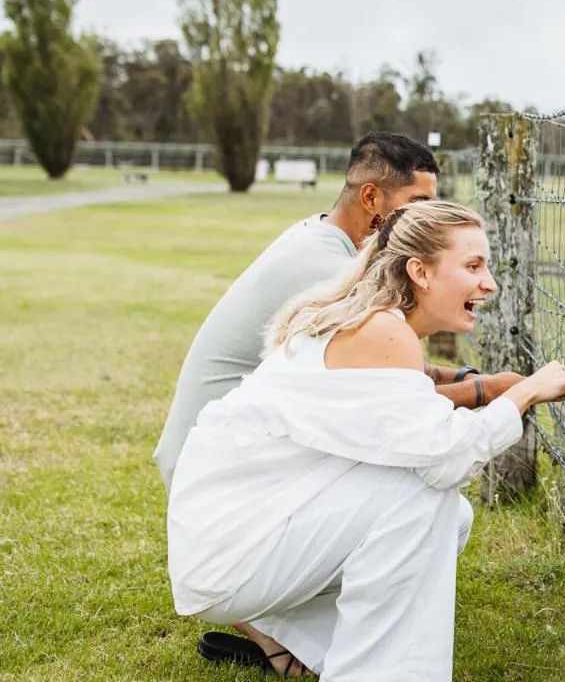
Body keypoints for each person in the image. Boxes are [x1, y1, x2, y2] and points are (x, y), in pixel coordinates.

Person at [153, 131, 523, 673]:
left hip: (254, 463)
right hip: (230, 474)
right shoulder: (331, 269)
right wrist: (489, 391)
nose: (431, 216)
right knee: (416, 488)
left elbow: (392, 382)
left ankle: (312, 633)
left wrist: (469, 379)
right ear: (372, 199)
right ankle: (278, 633)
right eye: (420, 204)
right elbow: (395, 398)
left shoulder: (328, 244)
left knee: (444, 508)